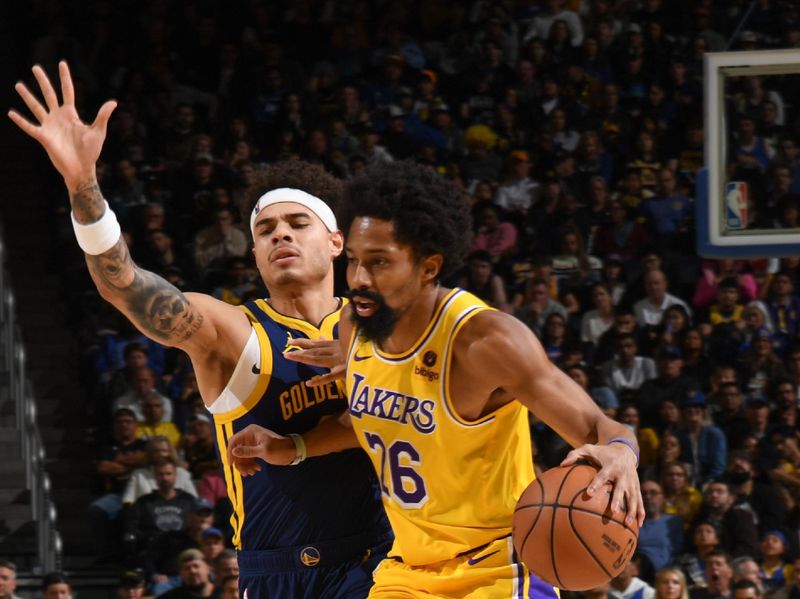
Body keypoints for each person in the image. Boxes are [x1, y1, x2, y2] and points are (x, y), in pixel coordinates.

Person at [9, 62, 390, 598]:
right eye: (265, 229)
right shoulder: (233, 329)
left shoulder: (382, 325)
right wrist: (83, 184)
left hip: (382, 558)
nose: (280, 233)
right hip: (279, 571)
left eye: (296, 223)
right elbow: (125, 287)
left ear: (335, 242)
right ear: (254, 253)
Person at [228, 160, 644, 596]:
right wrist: (293, 447)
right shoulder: (354, 326)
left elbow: (601, 427)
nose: (359, 280)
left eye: (380, 262)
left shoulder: (486, 341)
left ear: (428, 267)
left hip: (496, 568)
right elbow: (371, 423)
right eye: (353, 261)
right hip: (406, 571)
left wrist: (620, 452)